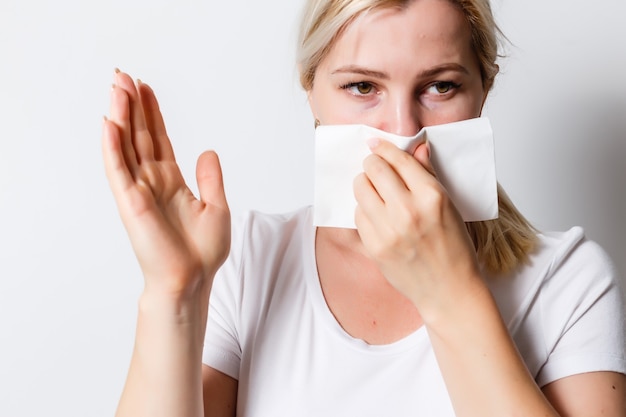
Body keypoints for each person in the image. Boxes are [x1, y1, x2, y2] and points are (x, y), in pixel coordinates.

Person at [102, 0, 626, 416]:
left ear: (483, 89)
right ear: (311, 91)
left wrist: (448, 292)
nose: (400, 130)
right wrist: (175, 292)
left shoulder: (569, 282)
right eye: (362, 87)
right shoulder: (244, 263)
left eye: (441, 86)